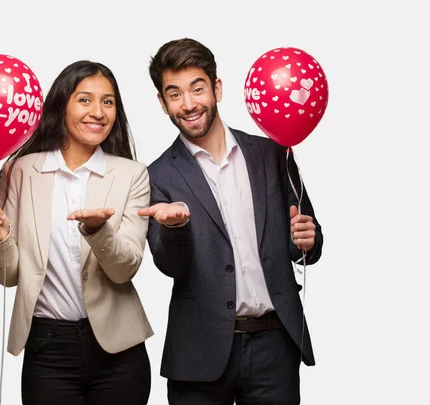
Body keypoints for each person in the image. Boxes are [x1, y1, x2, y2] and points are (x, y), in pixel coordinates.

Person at [138, 38, 324, 405]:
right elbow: (169, 265)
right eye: (174, 94)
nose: (188, 104)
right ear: (162, 103)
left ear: (216, 88)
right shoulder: (156, 175)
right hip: (198, 351)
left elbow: (306, 243)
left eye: (197, 88)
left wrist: (308, 238)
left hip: (275, 345)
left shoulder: (271, 153)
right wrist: (174, 228)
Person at [0, 60, 153, 405]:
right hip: (47, 349)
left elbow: (125, 268)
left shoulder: (132, 174)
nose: (99, 112)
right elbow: (9, 275)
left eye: (108, 101)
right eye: (85, 100)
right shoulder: (20, 170)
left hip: (119, 350)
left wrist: (98, 231)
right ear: (62, 105)